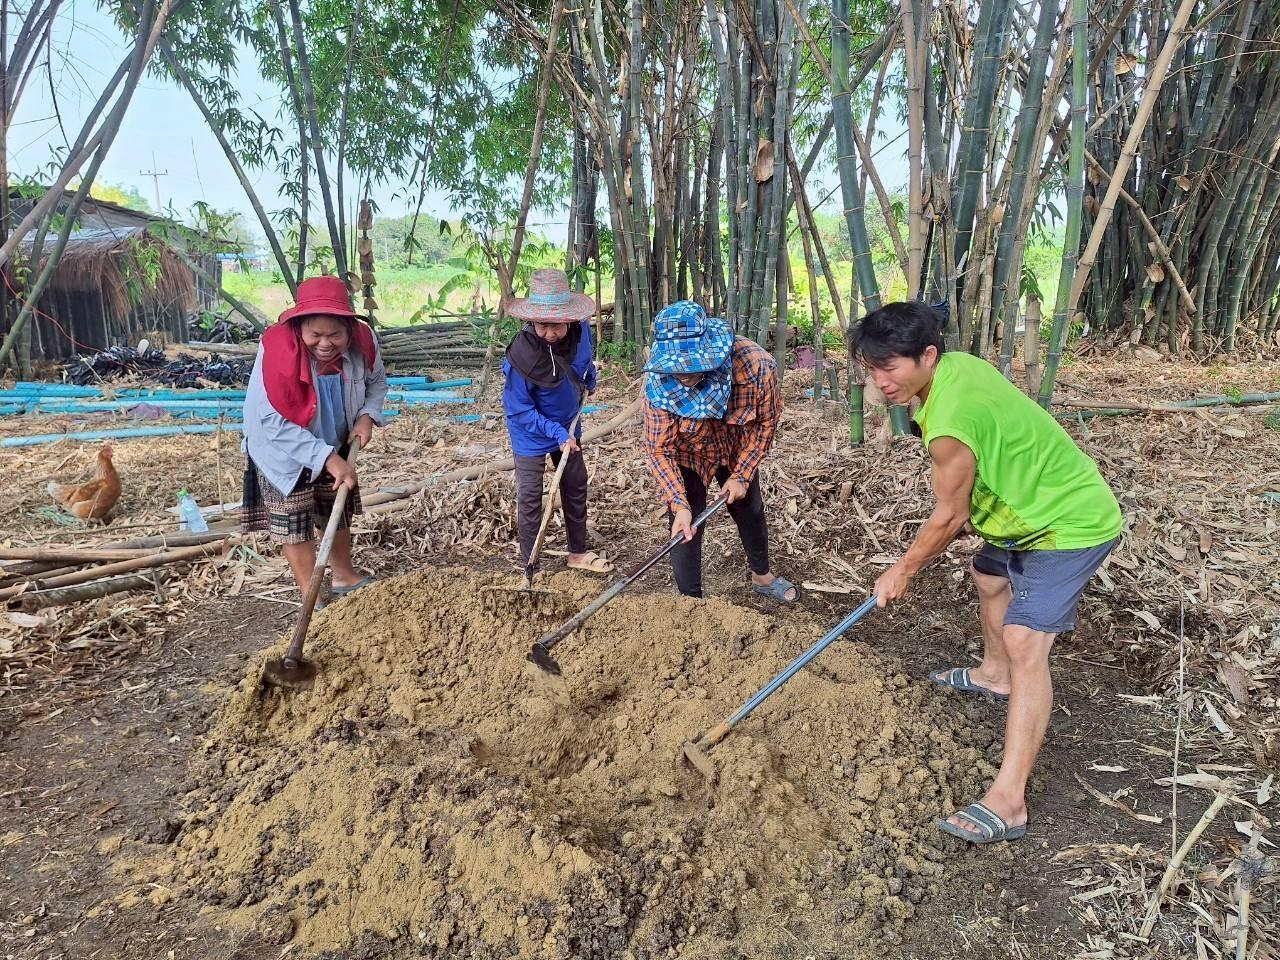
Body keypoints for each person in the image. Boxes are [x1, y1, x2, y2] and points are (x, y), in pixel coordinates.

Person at [852, 301, 1122, 845]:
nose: (881, 382)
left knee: (1027, 640)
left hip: (1066, 522)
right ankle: (994, 676)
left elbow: (951, 514)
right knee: (989, 576)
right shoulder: (956, 367)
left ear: (927, 355)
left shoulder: (951, 420)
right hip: (1021, 511)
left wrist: (903, 568)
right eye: (872, 370)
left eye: (891, 368)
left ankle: (1010, 800)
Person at [241, 275, 386, 603]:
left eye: (334, 334)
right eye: (315, 335)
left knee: (334, 504)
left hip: (334, 434)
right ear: (299, 328)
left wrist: (366, 416)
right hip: (281, 446)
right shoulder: (277, 352)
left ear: (349, 328)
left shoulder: (364, 342)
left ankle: (345, 576)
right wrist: (328, 459)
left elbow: (377, 383)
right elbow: (272, 421)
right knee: (293, 518)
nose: (325, 343)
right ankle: (313, 595)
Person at [642, 300, 796, 603]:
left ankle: (762, 577)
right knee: (686, 523)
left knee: (749, 506)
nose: (682, 374)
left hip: (737, 446)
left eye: (690, 366)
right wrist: (678, 502)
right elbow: (658, 448)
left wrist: (741, 475)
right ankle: (691, 603)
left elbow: (766, 423)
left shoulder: (755, 365)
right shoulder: (658, 386)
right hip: (689, 453)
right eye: (675, 368)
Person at [502, 268, 614, 576]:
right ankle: (530, 564)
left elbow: (584, 361)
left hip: (569, 422)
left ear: (569, 319)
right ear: (531, 320)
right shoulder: (521, 356)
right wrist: (555, 432)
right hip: (531, 431)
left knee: (575, 483)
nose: (550, 332)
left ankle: (577, 551)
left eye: (557, 325)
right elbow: (518, 410)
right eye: (542, 325)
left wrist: (589, 378)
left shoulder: (581, 332)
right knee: (529, 495)